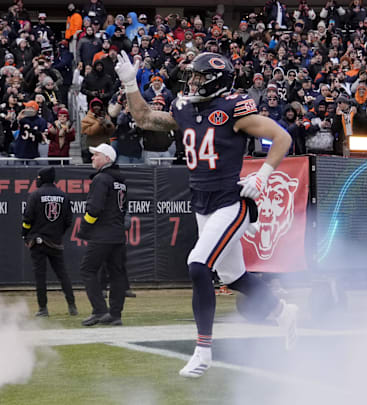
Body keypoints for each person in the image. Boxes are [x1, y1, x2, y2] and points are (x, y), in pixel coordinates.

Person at [114, 51, 298, 378]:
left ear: (215, 80)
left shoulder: (233, 109)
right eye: (192, 77)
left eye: (199, 77)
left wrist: (264, 174)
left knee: (198, 265)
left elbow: (282, 137)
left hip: (232, 201)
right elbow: (144, 119)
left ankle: (203, 350)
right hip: (203, 202)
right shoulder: (184, 108)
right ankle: (285, 311)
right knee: (233, 276)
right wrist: (130, 82)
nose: (192, 82)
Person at [77, 143, 128, 327]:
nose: (92, 158)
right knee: (117, 274)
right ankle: (115, 315)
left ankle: (99, 310)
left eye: (96, 155)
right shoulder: (120, 181)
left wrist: (84, 229)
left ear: (106, 159)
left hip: (102, 234)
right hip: (118, 233)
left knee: (87, 269)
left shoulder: (101, 179)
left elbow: (95, 209)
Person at [21, 167, 78, 317]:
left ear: (42, 178)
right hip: (55, 242)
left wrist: (24, 234)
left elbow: (27, 219)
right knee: (63, 274)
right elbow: (68, 221)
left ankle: (43, 308)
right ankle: (72, 306)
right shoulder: (64, 196)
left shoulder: (35, 195)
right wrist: (58, 234)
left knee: (40, 276)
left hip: (38, 242)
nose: (36, 180)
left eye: (38, 177)